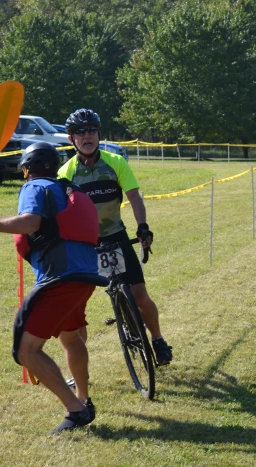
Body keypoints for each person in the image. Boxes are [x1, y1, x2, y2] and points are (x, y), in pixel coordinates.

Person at [0, 142, 106, 434]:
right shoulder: (67, 188)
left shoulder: (34, 187)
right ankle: (82, 396)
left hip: (60, 280)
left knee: (26, 351)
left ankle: (77, 410)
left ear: (26, 168)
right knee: (70, 336)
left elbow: (31, 223)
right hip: (85, 277)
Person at [58, 108, 174, 365]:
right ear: (71, 139)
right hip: (87, 245)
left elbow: (134, 197)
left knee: (140, 296)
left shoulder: (116, 162)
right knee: (77, 307)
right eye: (80, 132)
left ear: (99, 134)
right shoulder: (66, 173)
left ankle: (157, 339)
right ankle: (76, 363)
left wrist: (142, 227)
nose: (87, 136)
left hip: (117, 235)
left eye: (92, 131)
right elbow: (61, 214)